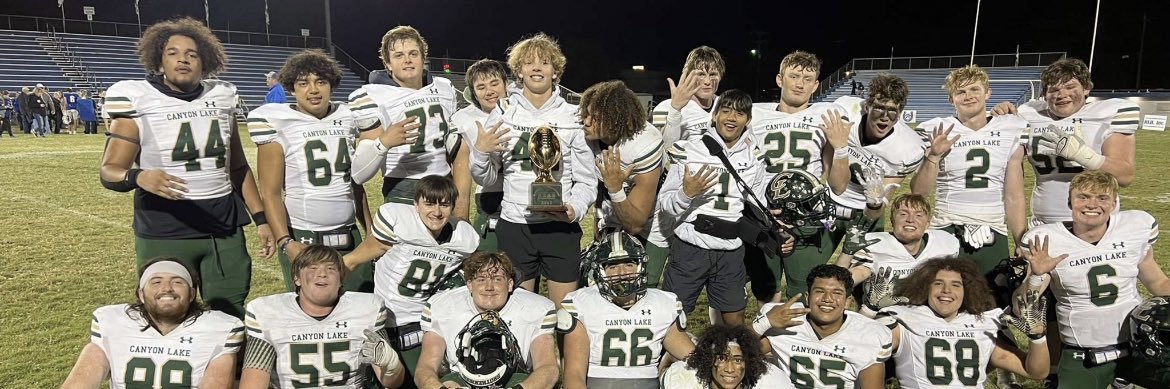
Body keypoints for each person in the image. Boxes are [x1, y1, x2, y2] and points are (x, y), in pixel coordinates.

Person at [98, 17, 273, 319]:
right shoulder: (137, 98)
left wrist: (260, 219)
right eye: (173, 52)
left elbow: (238, 168)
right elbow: (109, 170)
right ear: (159, 59)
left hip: (222, 226)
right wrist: (139, 177)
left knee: (229, 313)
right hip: (165, 226)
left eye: (192, 54)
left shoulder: (221, 96)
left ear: (205, 60)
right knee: (166, 314)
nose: (183, 59)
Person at [470, 33, 596, 309]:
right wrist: (480, 152)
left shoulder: (574, 116)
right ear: (519, 71)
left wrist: (573, 209)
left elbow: (587, 180)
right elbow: (487, 178)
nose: (536, 67)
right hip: (516, 225)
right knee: (518, 313)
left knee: (566, 315)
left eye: (544, 62)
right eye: (529, 63)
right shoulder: (503, 112)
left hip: (560, 227)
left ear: (556, 72)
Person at [1020, 171, 1170, 388]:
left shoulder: (1135, 228)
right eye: (1083, 197)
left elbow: (1157, 282)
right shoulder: (1047, 241)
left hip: (1138, 346)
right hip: (1083, 353)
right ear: (1069, 202)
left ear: (1114, 204)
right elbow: (1025, 302)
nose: (1092, 204)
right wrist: (1035, 276)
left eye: (1102, 198)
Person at [249, 49, 375, 293]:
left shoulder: (348, 116)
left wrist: (368, 228)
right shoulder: (278, 120)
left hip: (348, 231)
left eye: (321, 81)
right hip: (303, 233)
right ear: (291, 88)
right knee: (311, 306)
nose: (313, 90)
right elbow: (271, 192)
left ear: (332, 85)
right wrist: (285, 242)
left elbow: (355, 182)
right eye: (303, 83)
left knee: (360, 304)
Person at [343, 174, 479, 379]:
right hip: (384, 318)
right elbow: (350, 261)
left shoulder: (464, 238)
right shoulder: (398, 222)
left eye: (444, 205)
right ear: (415, 204)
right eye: (429, 203)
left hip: (424, 320)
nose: (436, 211)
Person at [746, 50, 852, 303]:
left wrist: (840, 147)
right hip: (764, 211)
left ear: (816, 85)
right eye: (794, 76)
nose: (800, 83)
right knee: (765, 290)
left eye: (807, 79)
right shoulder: (754, 113)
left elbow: (838, 186)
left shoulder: (827, 114)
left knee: (803, 291)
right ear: (779, 79)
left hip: (807, 215)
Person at [659, 89, 772, 326]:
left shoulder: (755, 158)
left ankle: (727, 362)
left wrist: (774, 222)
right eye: (726, 110)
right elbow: (666, 204)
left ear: (748, 120)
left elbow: (758, 204)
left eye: (740, 113)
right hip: (691, 247)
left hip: (731, 251)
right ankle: (664, 364)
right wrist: (686, 193)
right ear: (714, 115)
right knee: (672, 319)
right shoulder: (688, 149)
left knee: (734, 320)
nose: (732, 118)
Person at [911, 65, 1029, 285]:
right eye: (960, 92)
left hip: (993, 225)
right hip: (946, 224)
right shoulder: (938, 128)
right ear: (951, 99)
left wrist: (1021, 241)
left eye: (974, 89)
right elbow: (919, 192)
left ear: (988, 93)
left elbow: (1014, 195)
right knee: (941, 296)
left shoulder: (1011, 127)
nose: (968, 96)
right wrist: (933, 157)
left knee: (993, 298)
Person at [992, 58, 1139, 224]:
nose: (1062, 95)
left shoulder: (1107, 114)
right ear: (1044, 95)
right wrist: (1001, 117)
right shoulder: (1029, 114)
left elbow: (1125, 176)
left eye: (1070, 87)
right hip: (1044, 223)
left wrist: (1083, 155)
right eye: (1054, 89)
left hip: (1097, 223)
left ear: (1086, 89)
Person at [61, 257, 244, 389]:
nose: (166, 288)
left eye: (178, 282)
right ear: (141, 294)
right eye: (156, 282)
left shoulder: (218, 328)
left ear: (192, 294)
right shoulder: (112, 323)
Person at [239, 245, 405, 388]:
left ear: (341, 279)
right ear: (296, 278)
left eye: (331, 268)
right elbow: (252, 384)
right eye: (312, 268)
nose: (322, 274)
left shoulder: (366, 309)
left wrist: (392, 365)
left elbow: (392, 383)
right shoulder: (269, 313)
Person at [349, 25, 470, 221]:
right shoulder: (370, 96)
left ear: (423, 59)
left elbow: (456, 147)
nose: (407, 60)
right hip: (403, 187)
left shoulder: (444, 88)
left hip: (443, 182)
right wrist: (384, 142)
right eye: (398, 55)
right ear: (387, 64)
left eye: (413, 53)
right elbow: (359, 174)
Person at [872, 257, 1050, 388]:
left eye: (956, 285)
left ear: (968, 291)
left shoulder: (982, 324)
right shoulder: (904, 319)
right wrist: (870, 309)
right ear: (925, 287)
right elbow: (859, 345)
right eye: (938, 283)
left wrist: (1037, 338)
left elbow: (1036, 372)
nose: (946, 290)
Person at [559, 231, 693, 388]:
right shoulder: (582, 303)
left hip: (648, 383)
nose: (622, 273)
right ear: (600, 270)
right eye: (613, 266)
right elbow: (574, 374)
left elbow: (693, 357)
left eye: (629, 264)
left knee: (691, 375)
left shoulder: (663, 303)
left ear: (641, 266)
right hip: (598, 384)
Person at [416, 252, 560, 389]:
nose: (489, 287)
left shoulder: (535, 309)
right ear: (469, 285)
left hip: (513, 378)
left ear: (510, 284)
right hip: (460, 379)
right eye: (481, 279)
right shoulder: (442, 307)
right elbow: (426, 367)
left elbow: (547, 367)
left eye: (497, 279)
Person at [646, 47, 725, 289]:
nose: (707, 80)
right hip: (675, 193)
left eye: (713, 74)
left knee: (715, 277)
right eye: (700, 74)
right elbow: (662, 152)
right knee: (655, 255)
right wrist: (676, 110)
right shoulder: (666, 107)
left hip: (714, 198)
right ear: (687, 74)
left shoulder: (726, 105)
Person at [753, 265, 893, 389]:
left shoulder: (869, 334)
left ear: (847, 302)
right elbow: (737, 352)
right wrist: (764, 323)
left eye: (837, 293)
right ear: (807, 298)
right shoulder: (785, 320)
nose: (827, 298)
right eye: (820, 291)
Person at [834, 194, 960, 316]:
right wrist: (847, 253)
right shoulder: (875, 246)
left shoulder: (944, 245)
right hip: (884, 317)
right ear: (892, 221)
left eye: (919, 215)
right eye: (903, 214)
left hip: (927, 318)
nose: (910, 220)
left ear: (927, 223)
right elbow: (837, 284)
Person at [831, 74, 927, 229]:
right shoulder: (847, 112)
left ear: (900, 113)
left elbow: (876, 212)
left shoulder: (909, 148)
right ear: (867, 107)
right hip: (830, 198)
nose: (884, 117)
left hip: (866, 210)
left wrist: (875, 203)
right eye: (879, 108)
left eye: (892, 110)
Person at [580, 80, 664, 242]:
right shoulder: (589, 137)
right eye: (586, 114)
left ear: (617, 118)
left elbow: (635, 225)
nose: (587, 122)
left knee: (646, 267)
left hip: (651, 226)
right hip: (612, 214)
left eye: (596, 117)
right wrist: (598, 217)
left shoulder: (644, 144)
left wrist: (615, 187)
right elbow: (599, 183)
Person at [451, 59, 509, 251]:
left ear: (505, 84)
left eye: (494, 83)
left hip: (525, 196)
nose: (489, 91)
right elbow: (461, 177)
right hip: (490, 198)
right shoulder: (463, 119)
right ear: (473, 92)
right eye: (481, 87)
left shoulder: (523, 111)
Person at [660, 325, 792, 389]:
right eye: (721, 358)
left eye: (738, 360)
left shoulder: (770, 381)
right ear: (709, 360)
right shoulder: (685, 379)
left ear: (748, 363)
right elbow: (664, 369)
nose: (730, 369)